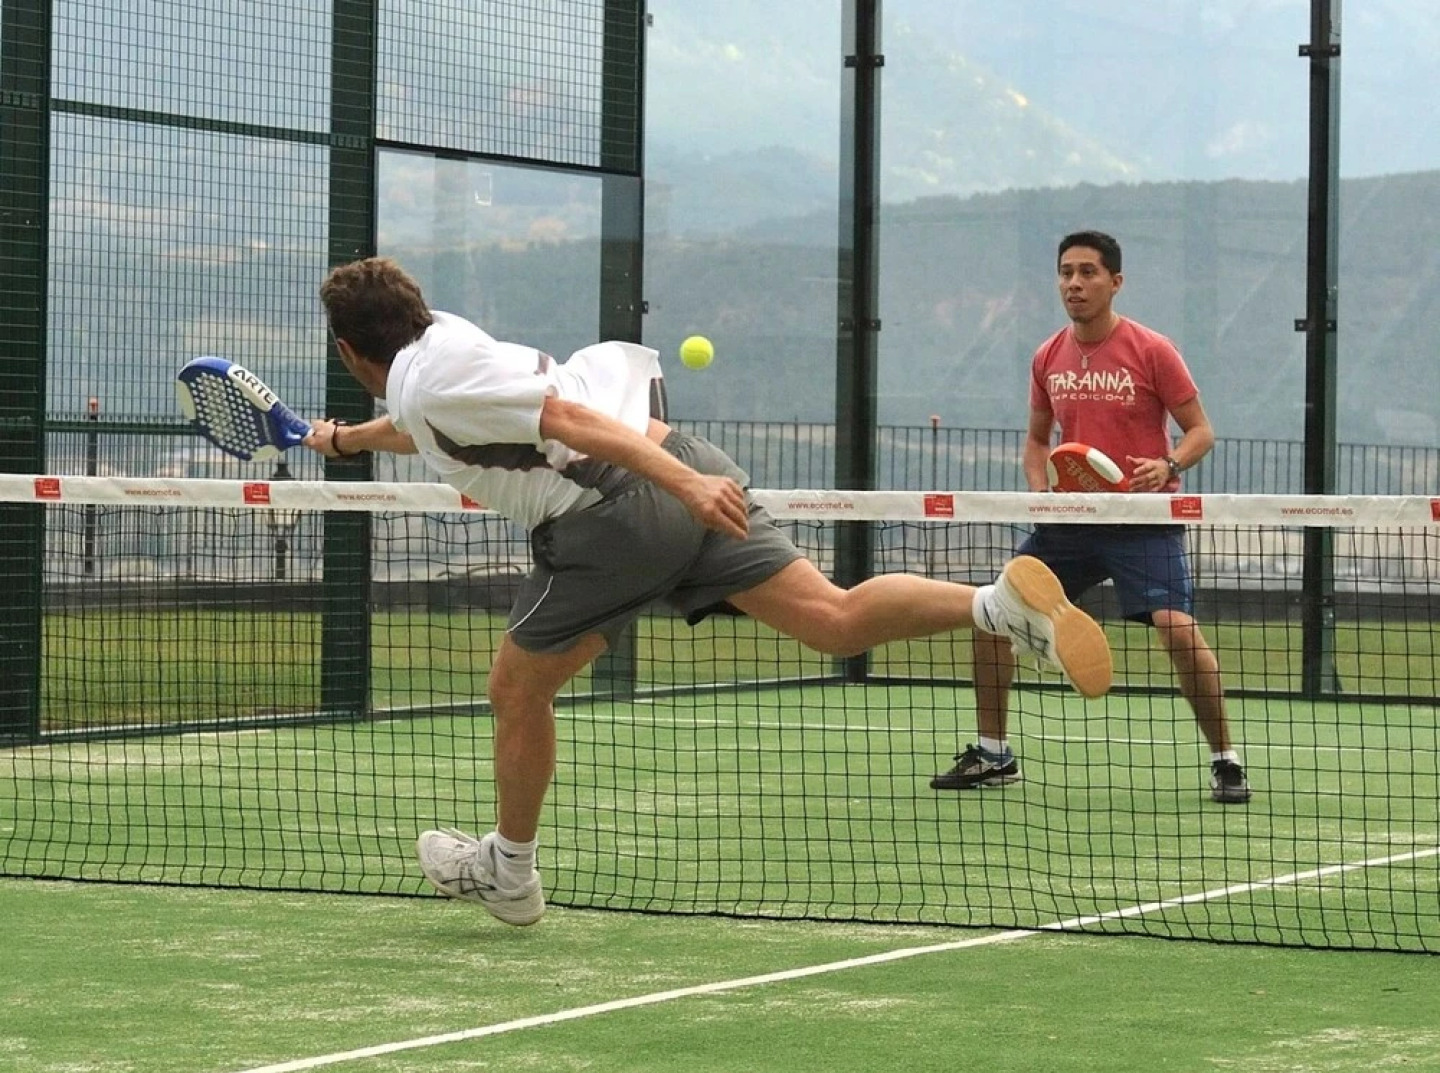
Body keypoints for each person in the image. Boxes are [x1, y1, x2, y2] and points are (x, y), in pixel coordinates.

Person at [308, 256, 1114, 926]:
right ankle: (992, 607)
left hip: (617, 513)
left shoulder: (430, 381)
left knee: (516, 689)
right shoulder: (444, 340)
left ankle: (510, 876)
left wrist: (687, 490)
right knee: (832, 619)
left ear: (350, 352)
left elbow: (566, 423)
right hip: (676, 455)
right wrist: (346, 439)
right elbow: (429, 420)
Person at [930, 230, 1252, 804]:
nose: (1074, 284)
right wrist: (1040, 494)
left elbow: (1201, 430)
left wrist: (1168, 462)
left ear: (1115, 282)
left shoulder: (1152, 350)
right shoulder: (1047, 356)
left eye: (1087, 273)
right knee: (990, 616)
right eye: (1066, 273)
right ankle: (994, 753)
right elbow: (1035, 443)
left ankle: (1225, 759)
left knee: (1177, 631)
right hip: (1067, 525)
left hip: (1140, 520)